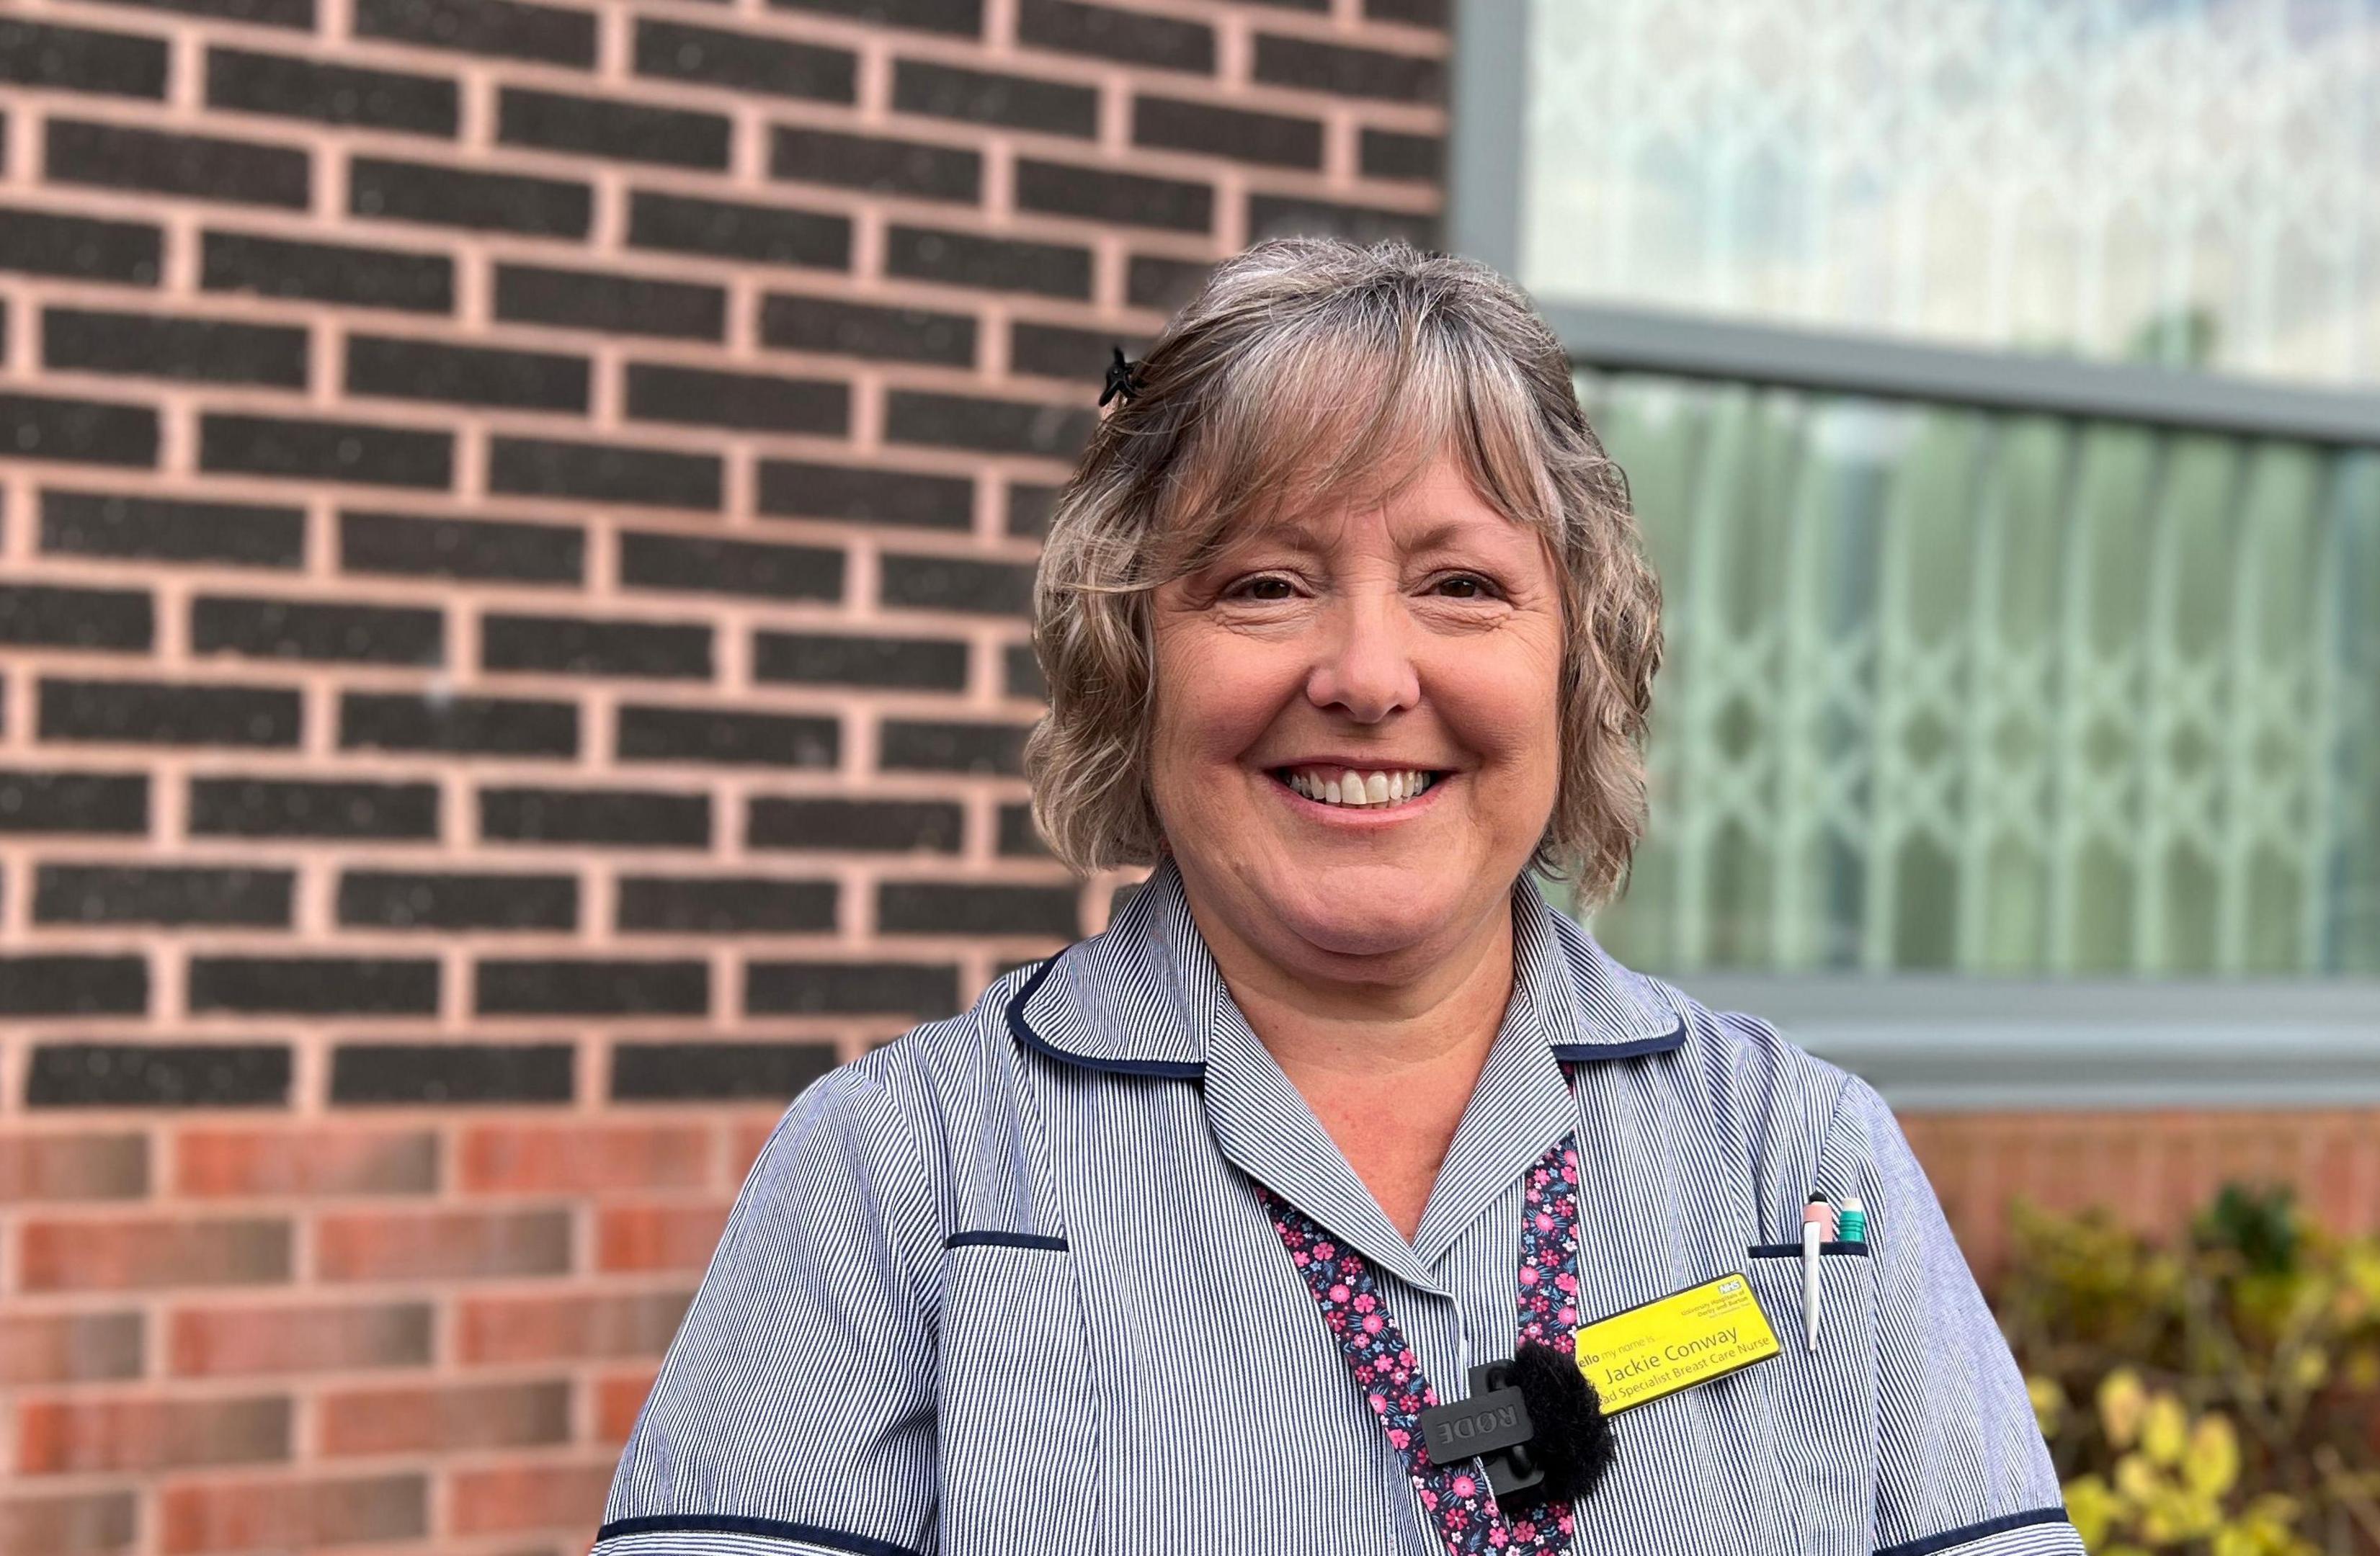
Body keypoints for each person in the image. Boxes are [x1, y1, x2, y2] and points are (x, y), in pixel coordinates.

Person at [592, 236, 2080, 1556]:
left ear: (1577, 668)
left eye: (1464, 586)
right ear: (1135, 664)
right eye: (1262, 584)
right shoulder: (900, 1179)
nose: (1368, 676)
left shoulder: (1805, 1170)